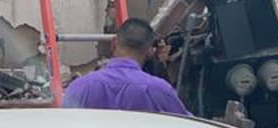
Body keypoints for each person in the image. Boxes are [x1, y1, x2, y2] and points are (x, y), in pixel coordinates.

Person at [63, 18, 192, 115]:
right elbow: (188, 123)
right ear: (149, 51)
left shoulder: (79, 87)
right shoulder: (160, 91)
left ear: (114, 43)